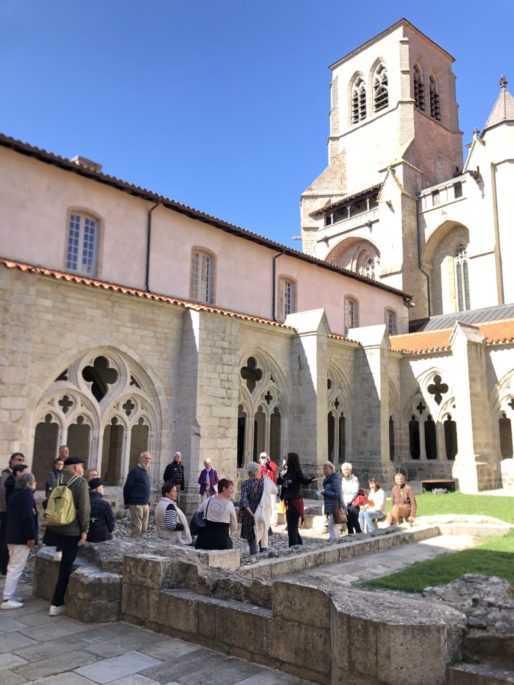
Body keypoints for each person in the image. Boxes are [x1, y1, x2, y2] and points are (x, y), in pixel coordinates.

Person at [47, 456, 90, 616]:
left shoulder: (58, 480)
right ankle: (56, 603)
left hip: (56, 527)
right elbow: (84, 509)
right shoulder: (80, 482)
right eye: (81, 466)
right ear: (73, 467)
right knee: (66, 566)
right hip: (71, 530)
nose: (83, 469)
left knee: (61, 561)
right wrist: (85, 530)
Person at [1, 471, 38, 609]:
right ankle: (8, 597)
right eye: (34, 482)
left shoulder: (15, 495)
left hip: (13, 536)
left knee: (13, 566)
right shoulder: (26, 496)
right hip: (21, 537)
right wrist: (30, 536)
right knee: (16, 567)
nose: (35, 484)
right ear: (28, 483)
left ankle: (11, 594)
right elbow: (28, 517)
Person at [277, 452, 317, 547]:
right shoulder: (287, 472)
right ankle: (299, 547)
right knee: (293, 528)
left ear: (291, 460)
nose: (285, 461)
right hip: (288, 502)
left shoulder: (297, 472)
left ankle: (292, 549)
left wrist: (312, 479)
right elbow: (279, 482)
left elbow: (304, 481)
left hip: (294, 502)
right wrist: (281, 475)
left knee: (292, 529)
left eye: (287, 459)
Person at [0, 452, 25, 575]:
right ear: (11, 460)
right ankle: (3, 567)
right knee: (5, 540)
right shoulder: (7, 474)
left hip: (8, 512)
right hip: (6, 513)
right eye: (18, 459)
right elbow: (3, 493)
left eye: (22, 460)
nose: (20, 462)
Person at [195, 478, 238, 550]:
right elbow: (234, 526)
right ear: (224, 489)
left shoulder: (209, 499)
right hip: (221, 542)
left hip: (204, 540)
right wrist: (229, 535)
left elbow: (198, 512)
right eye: (230, 488)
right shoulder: (229, 504)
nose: (232, 491)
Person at [123, 452, 151, 536]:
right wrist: (126, 502)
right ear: (140, 459)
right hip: (136, 504)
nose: (147, 460)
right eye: (145, 458)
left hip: (145, 504)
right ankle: (132, 547)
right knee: (137, 529)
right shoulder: (134, 471)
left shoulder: (145, 471)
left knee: (144, 529)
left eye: (149, 459)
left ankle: (141, 547)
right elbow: (127, 488)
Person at [155, 481, 192, 545]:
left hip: (163, 536)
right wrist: (183, 526)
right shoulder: (169, 506)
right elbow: (171, 525)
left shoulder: (160, 503)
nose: (176, 493)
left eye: (176, 491)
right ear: (167, 494)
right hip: (173, 539)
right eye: (173, 491)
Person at [240, 462, 265, 555]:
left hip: (249, 515)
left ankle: (255, 559)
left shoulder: (245, 484)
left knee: (252, 540)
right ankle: (264, 558)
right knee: (262, 538)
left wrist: (251, 514)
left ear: (248, 472)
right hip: (261, 513)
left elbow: (244, 501)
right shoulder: (263, 483)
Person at [254, 467, 278, 551]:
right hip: (264, 508)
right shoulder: (266, 481)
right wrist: (268, 478)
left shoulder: (250, 482)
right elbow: (275, 490)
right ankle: (263, 550)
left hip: (254, 509)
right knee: (264, 531)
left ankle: (254, 550)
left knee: (256, 530)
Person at [320, 461, 343, 543]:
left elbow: (337, 493)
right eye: (323, 469)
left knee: (331, 525)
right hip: (329, 505)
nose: (324, 471)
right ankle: (335, 539)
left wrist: (326, 492)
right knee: (333, 524)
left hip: (334, 505)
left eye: (326, 469)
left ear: (331, 469)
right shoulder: (327, 479)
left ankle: (334, 540)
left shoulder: (335, 479)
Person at [87, 478, 115, 543]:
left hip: (87, 536)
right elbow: (111, 524)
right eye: (103, 487)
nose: (104, 489)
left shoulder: (83, 502)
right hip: (103, 536)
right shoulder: (104, 504)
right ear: (98, 489)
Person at [341, 462, 362, 534]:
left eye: (347, 469)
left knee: (354, 520)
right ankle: (350, 536)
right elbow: (341, 492)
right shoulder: (342, 480)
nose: (346, 471)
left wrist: (348, 501)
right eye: (344, 469)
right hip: (344, 503)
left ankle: (359, 534)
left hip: (353, 503)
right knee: (348, 522)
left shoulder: (354, 479)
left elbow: (354, 492)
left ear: (350, 470)